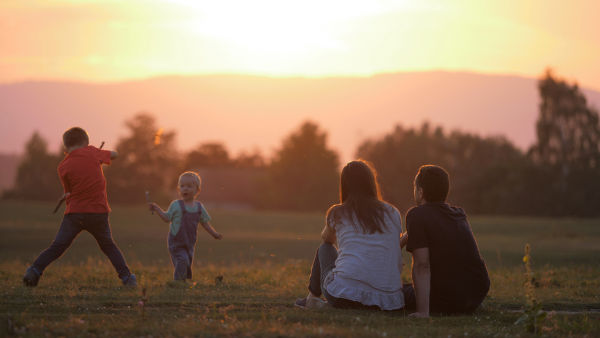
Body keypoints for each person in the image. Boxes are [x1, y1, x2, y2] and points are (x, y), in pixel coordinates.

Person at [23, 127, 137, 287]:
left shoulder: (63, 167)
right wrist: (99, 154)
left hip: (75, 214)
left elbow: (69, 192)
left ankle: (34, 271)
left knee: (57, 246)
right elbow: (115, 155)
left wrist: (67, 195)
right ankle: (128, 278)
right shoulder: (92, 152)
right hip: (98, 213)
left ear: (65, 147)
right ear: (86, 142)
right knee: (108, 246)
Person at [295, 160, 413, 311]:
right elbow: (392, 246)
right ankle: (322, 302)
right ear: (371, 183)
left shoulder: (337, 212)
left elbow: (326, 239)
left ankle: (312, 299)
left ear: (344, 186)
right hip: (389, 302)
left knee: (324, 249)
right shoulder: (392, 212)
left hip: (343, 295)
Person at [404, 165, 490, 317]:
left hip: (446, 298)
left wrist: (423, 312)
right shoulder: (458, 213)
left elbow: (422, 265)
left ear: (420, 191)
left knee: (394, 292)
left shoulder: (416, 215)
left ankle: (428, 308)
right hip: (475, 293)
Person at [148, 171, 222, 281]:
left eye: (189, 186)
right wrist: (157, 208)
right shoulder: (176, 205)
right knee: (182, 260)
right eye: (182, 186)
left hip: (190, 243)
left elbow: (205, 224)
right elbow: (166, 218)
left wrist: (214, 234)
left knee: (186, 263)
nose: (185, 189)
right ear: (179, 189)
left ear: (197, 190)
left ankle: (183, 281)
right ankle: (177, 283)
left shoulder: (199, 207)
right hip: (176, 242)